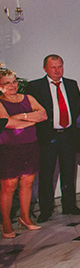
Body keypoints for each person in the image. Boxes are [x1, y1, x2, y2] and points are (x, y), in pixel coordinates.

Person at [26, 54, 80, 223]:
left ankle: (70, 205)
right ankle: (46, 209)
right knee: (46, 174)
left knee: (69, 172)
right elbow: (33, 110)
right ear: (45, 68)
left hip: (68, 136)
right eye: (53, 67)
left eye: (60, 66)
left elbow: (77, 106)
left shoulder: (71, 84)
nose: (57, 70)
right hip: (47, 137)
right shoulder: (35, 86)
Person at [0, 67, 47, 238]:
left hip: (30, 146)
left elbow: (43, 115)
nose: (12, 85)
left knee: (27, 183)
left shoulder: (28, 98)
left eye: (14, 82)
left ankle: (25, 218)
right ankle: (6, 223)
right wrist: (30, 120)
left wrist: (21, 117)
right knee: (9, 187)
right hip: (9, 149)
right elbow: (7, 123)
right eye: (7, 83)